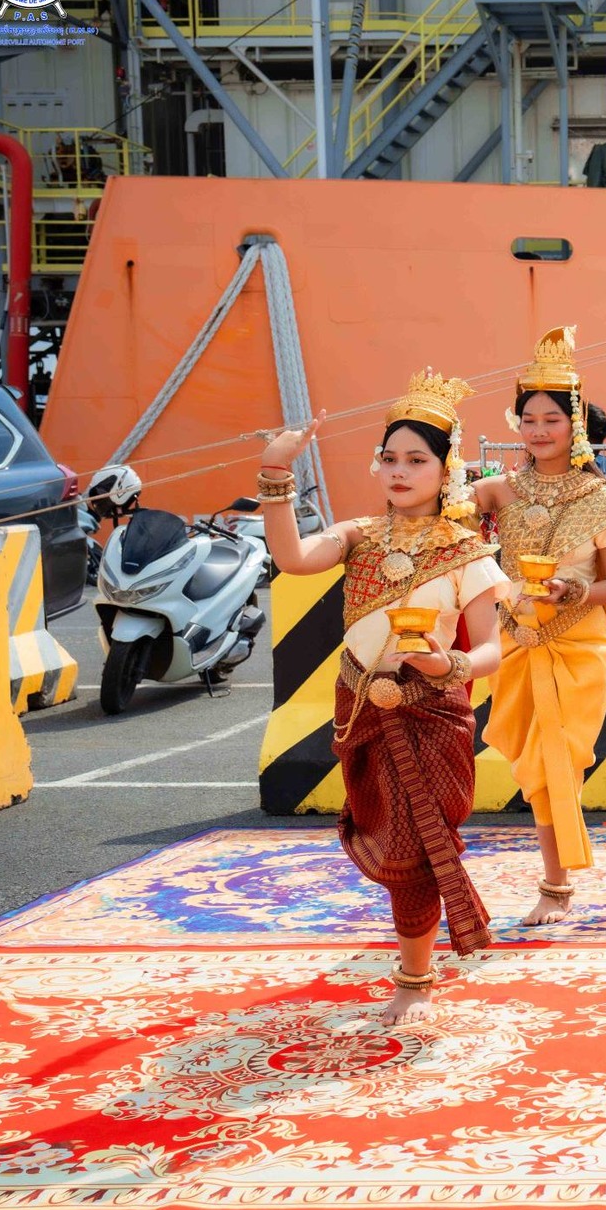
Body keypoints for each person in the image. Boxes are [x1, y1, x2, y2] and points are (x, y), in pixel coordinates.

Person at [258, 372, 507, 1024]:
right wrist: (276, 471)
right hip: (363, 704)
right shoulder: (358, 535)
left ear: (446, 469)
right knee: (387, 831)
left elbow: (491, 649)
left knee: (414, 844)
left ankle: (415, 979)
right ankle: (417, 965)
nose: (399, 470)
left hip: (432, 710)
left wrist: (446, 663)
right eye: (390, 457)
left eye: (417, 459)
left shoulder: (468, 552)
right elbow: (292, 557)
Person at [476, 327, 606, 925]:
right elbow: (443, 512)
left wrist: (575, 590)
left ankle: (556, 885)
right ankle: (557, 877)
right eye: (528, 420)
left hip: (577, 643)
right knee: (533, 762)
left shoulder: (604, 502)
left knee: (558, 760)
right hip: (516, 639)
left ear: (576, 426)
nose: (539, 430)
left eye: (552, 419)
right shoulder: (500, 490)